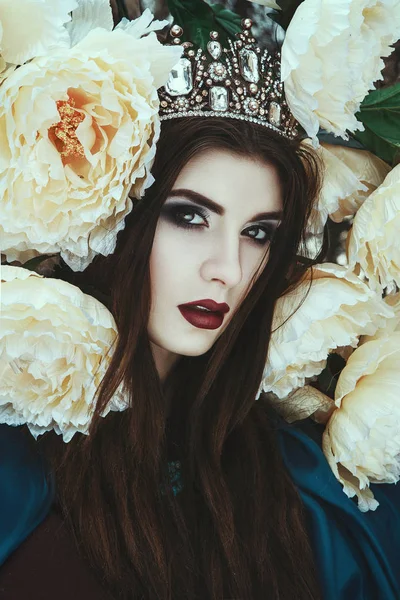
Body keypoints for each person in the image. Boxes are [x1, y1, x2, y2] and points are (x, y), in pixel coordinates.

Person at [0, 11, 400, 600]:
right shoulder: (18, 474)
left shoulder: (306, 486)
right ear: (119, 218)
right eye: (190, 216)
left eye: (258, 232)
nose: (229, 269)